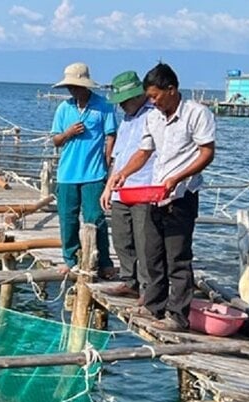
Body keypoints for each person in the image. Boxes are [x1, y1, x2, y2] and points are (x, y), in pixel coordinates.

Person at [107, 63, 215, 332]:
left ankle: (177, 316)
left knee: (177, 256)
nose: (152, 102)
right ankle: (154, 305)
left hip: (181, 194)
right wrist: (122, 174)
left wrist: (177, 178)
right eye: (149, 97)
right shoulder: (153, 118)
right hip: (155, 194)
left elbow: (206, 153)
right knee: (152, 252)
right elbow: (143, 152)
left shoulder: (196, 114)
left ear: (171, 89)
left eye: (155, 96)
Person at [50, 62, 117, 278]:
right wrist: (68, 133)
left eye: (76, 86)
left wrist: (108, 164)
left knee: (95, 218)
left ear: (86, 86)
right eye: (70, 87)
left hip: (94, 173)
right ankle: (71, 259)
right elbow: (56, 140)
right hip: (67, 174)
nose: (73, 90)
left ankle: (103, 260)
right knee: (67, 218)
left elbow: (111, 137)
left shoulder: (103, 106)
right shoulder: (64, 109)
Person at [100, 71, 155, 301]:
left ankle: (147, 288)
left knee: (145, 240)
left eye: (124, 101)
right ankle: (129, 280)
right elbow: (118, 155)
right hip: (120, 186)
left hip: (144, 184)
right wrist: (108, 186)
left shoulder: (153, 115)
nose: (122, 106)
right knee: (122, 237)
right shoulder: (127, 119)